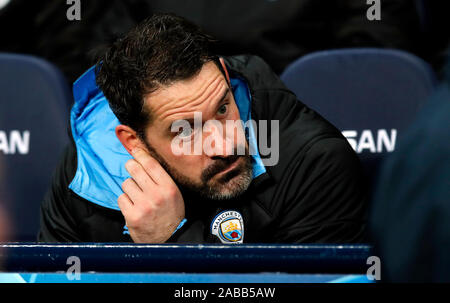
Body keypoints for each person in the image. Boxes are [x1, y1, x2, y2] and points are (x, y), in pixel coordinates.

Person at [38, 13, 368, 243]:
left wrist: (173, 243)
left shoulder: (313, 161)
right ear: (131, 140)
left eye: (223, 108)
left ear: (224, 74)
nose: (224, 146)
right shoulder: (90, 168)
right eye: (186, 131)